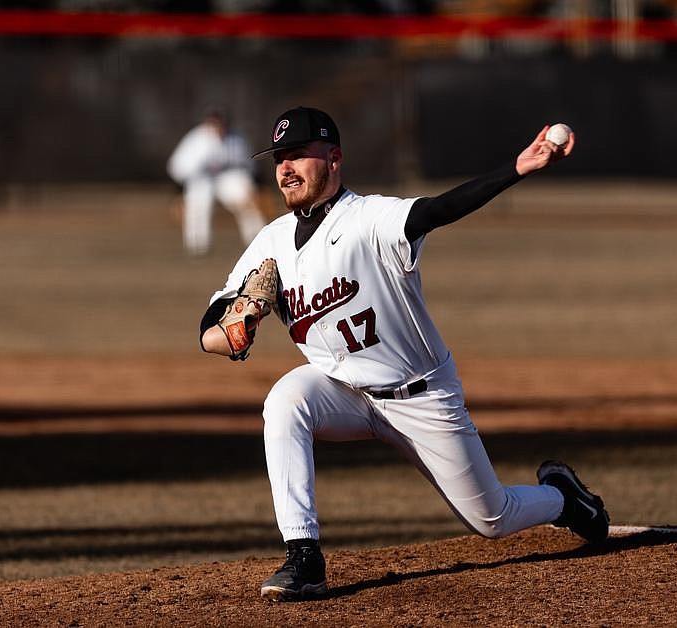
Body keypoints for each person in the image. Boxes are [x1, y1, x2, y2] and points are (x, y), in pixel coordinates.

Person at [198, 107, 609, 602]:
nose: (286, 167)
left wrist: (515, 170)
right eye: (279, 157)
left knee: (491, 517)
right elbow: (210, 329)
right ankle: (303, 556)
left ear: (334, 159)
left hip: (421, 395)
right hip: (343, 393)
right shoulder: (271, 242)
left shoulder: (371, 218)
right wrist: (237, 322)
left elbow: (440, 209)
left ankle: (562, 498)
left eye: (299, 155)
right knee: (286, 399)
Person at [167, 108, 266, 255]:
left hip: (227, 178)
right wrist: (179, 192)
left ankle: (258, 240)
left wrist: (253, 186)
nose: (218, 127)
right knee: (200, 201)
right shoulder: (196, 139)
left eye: (221, 123)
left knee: (245, 197)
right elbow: (177, 167)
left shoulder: (236, 138)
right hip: (201, 180)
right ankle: (198, 246)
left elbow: (250, 165)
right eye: (215, 123)